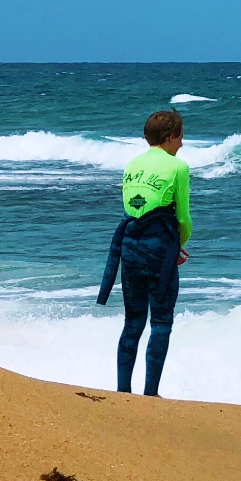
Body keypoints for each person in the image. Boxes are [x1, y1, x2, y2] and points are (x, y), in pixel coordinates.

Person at [96, 109, 192, 396]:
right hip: (159, 249)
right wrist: (179, 245)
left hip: (130, 245)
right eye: (181, 137)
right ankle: (150, 393)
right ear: (170, 136)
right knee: (161, 320)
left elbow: (135, 207)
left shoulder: (131, 165)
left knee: (133, 321)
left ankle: (123, 390)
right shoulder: (178, 167)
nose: (182, 144)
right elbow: (184, 217)